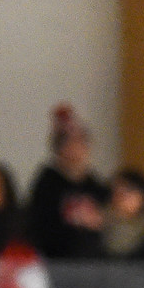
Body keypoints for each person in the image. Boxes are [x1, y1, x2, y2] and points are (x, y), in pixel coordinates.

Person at [24, 103, 110, 261]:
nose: (76, 151)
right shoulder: (47, 184)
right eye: (69, 144)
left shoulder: (95, 186)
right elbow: (39, 227)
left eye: (81, 144)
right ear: (58, 150)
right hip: (57, 262)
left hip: (93, 263)